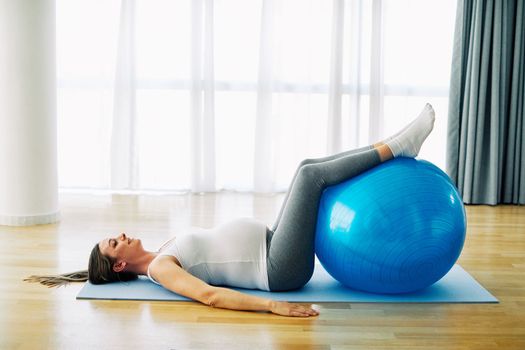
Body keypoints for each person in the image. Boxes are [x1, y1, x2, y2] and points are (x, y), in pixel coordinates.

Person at [26, 103, 436, 318]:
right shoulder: (159, 270)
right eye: (116, 243)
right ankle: (398, 146)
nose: (121, 234)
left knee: (306, 167)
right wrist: (274, 307)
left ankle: (391, 144)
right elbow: (209, 297)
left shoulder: (159, 252)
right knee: (312, 178)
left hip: (272, 244)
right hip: (278, 268)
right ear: (119, 266)